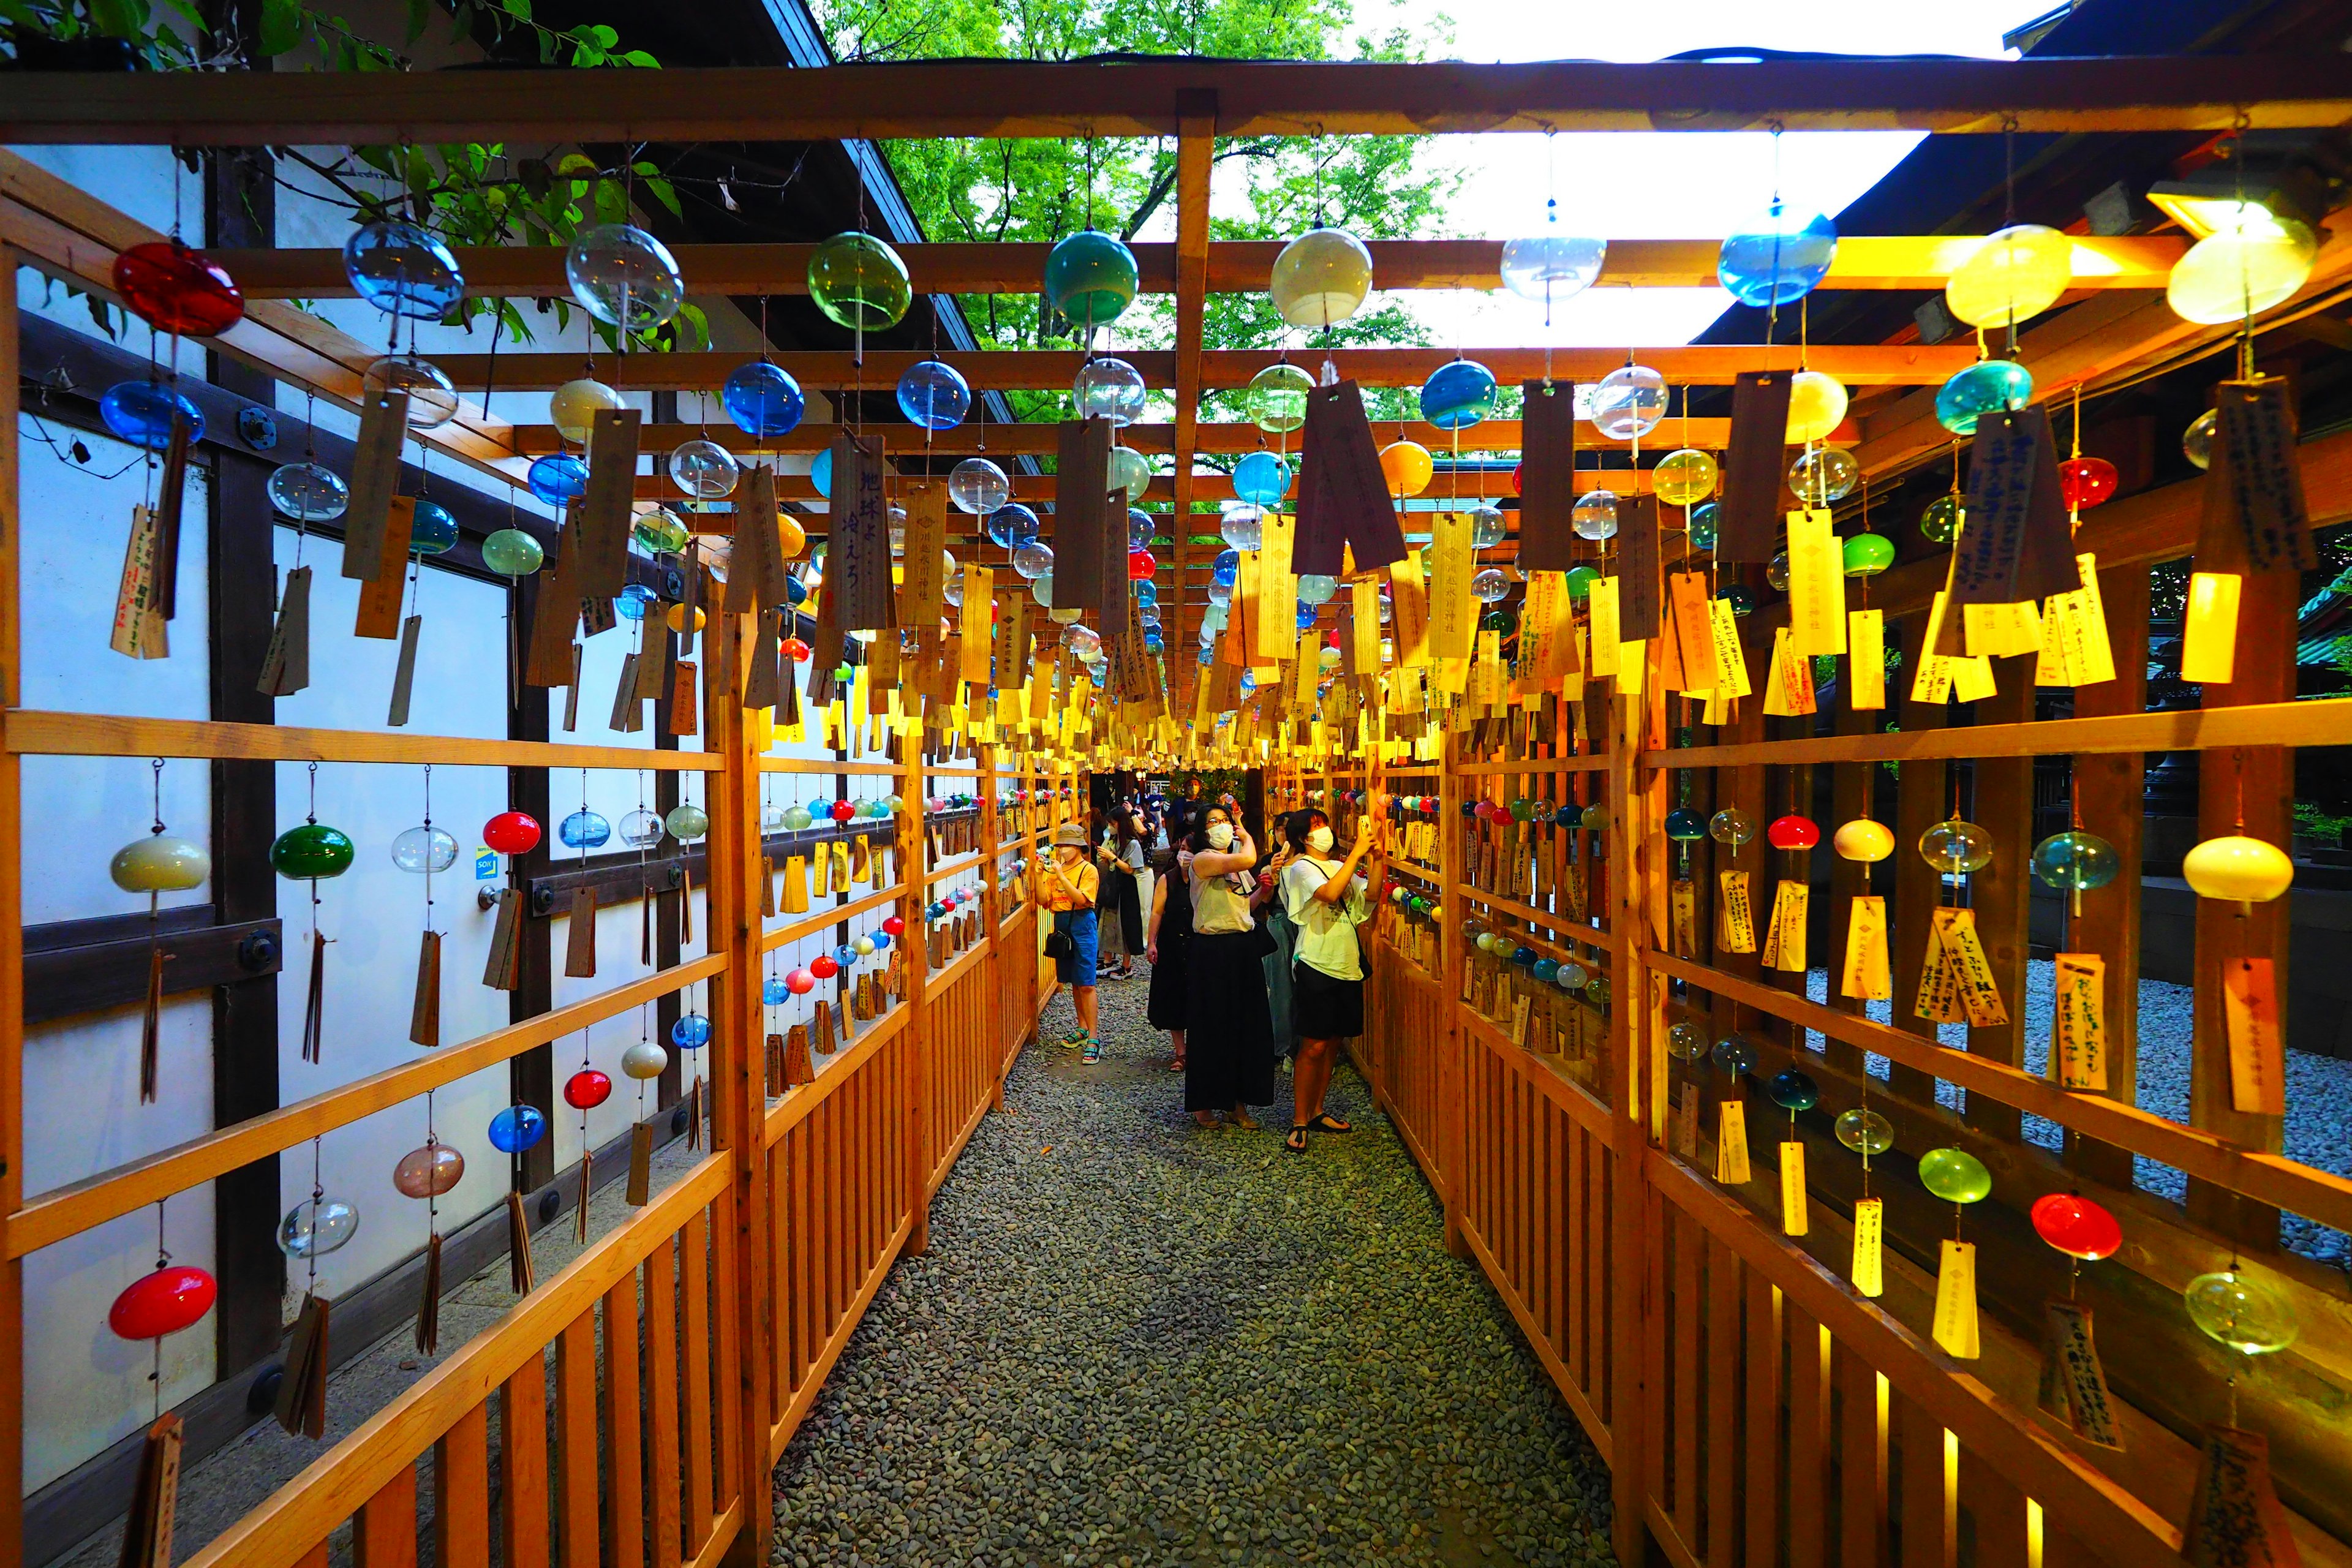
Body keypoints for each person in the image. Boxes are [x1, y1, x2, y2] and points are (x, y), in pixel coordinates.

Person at [1278, 802, 1379, 1152]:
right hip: (1316, 962)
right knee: (1314, 1043)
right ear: (1303, 838)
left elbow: (1373, 895)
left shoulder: (1339, 865)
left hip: (1347, 962)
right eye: (1316, 826)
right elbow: (1330, 893)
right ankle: (1300, 1119)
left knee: (1335, 1041)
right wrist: (1357, 856)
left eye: (1325, 823)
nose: (1324, 831)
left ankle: (1318, 1110)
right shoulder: (1299, 869)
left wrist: (1376, 859)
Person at [1183, 804, 1276, 1129]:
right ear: (1203, 830)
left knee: (1246, 1027)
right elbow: (1249, 857)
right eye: (1214, 822)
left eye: (1224, 820)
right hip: (1212, 950)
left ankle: (1238, 1104)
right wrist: (1245, 831)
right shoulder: (1204, 859)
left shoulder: (1235, 867)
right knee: (1212, 1027)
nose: (1220, 826)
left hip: (1241, 946)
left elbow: (1242, 908)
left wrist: (1265, 890)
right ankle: (1205, 1103)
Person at [1034, 822, 1104, 1063]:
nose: (1062, 850)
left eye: (1067, 846)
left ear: (1079, 847)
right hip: (1061, 922)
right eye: (1060, 845)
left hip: (1082, 922)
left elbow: (1083, 900)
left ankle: (1094, 1037)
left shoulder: (1088, 870)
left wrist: (1061, 876)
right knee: (1074, 980)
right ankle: (1082, 1028)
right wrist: (1038, 875)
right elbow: (1044, 900)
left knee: (1087, 983)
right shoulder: (1056, 870)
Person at [1144, 845, 1193, 1070]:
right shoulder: (1168, 878)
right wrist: (1152, 942)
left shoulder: (1205, 878)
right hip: (1172, 942)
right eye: (1183, 848)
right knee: (1174, 995)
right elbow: (1157, 911)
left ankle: (1200, 1046)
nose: (1185, 854)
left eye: (1190, 850)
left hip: (1197, 943)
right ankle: (1181, 1052)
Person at [1259, 812, 1297, 1062]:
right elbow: (1263, 901)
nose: (1282, 833)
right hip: (1279, 921)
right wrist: (1271, 876)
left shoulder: (1308, 861)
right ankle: (1281, 1047)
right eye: (1278, 829)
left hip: (1303, 924)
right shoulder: (1268, 860)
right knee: (1281, 987)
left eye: (1287, 828)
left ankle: (1302, 1044)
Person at [1096, 807, 1146, 981]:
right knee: (1107, 922)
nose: (1110, 827)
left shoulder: (1133, 844)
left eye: (1113, 823)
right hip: (1112, 883)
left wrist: (1113, 858)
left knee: (1126, 925)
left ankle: (1126, 966)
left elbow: (1131, 869)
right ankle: (1107, 961)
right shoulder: (1110, 839)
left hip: (1126, 887)